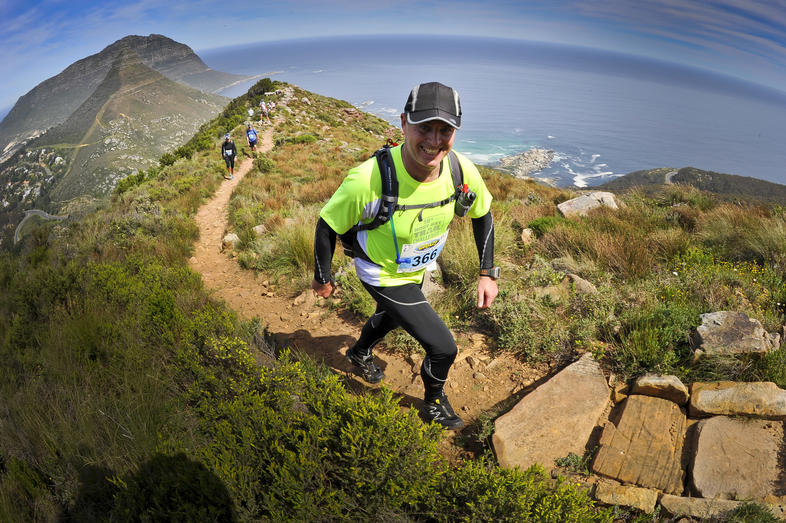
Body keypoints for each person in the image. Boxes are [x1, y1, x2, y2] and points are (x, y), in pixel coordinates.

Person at [311, 82, 499, 430]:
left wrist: (488, 273)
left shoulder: (460, 170)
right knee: (444, 348)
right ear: (403, 124)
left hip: (416, 268)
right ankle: (433, 403)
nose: (434, 139)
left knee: (394, 316)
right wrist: (322, 277)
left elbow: (483, 214)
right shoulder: (367, 180)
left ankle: (358, 352)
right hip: (380, 272)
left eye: (445, 130)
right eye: (424, 127)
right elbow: (327, 225)